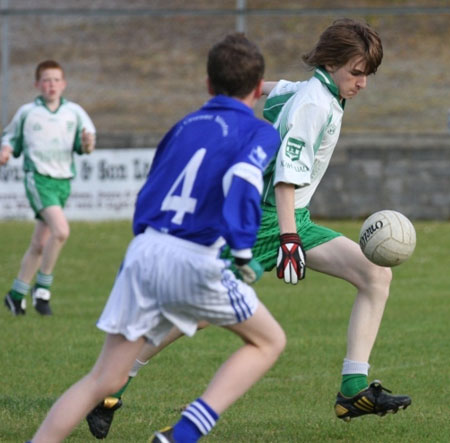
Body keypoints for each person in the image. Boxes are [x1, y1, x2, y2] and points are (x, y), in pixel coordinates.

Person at [85, 18, 412, 439]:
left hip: (294, 216)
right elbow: (286, 178)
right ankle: (112, 385)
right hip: (267, 218)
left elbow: (275, 93)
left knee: (374, 273)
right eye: (357, 72)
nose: (363, 83)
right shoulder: (314, 104)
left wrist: (246, 86)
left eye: (367, 74)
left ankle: (352, 389)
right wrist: (290, 240)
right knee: (197, 314)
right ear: (331, 64)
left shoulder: (314, 90)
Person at [28, 33, 284, 443]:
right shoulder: (259, 132)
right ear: (258, 89)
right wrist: (242, 252)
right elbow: (244, 179)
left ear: (207, 84)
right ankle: (181, 435)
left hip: (144, 249)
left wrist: (143, 248)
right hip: (195, 256)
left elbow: (151, 189)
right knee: (268, 341)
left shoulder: (183, 126)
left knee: (104, 378)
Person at [1, 60, 96, 316]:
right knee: (61, 231)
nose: (51, 84)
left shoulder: (74, 113)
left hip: (62, 181)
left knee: (39, 243)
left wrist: (87, 143)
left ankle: (15, 294)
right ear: (37, 84)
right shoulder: (27, 112)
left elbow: (86, 146)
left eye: (55, 80)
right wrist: (6, 150)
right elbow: (9, 136)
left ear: (63, 84)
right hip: (38, 179)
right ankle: (42, 290)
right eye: (46, 79)